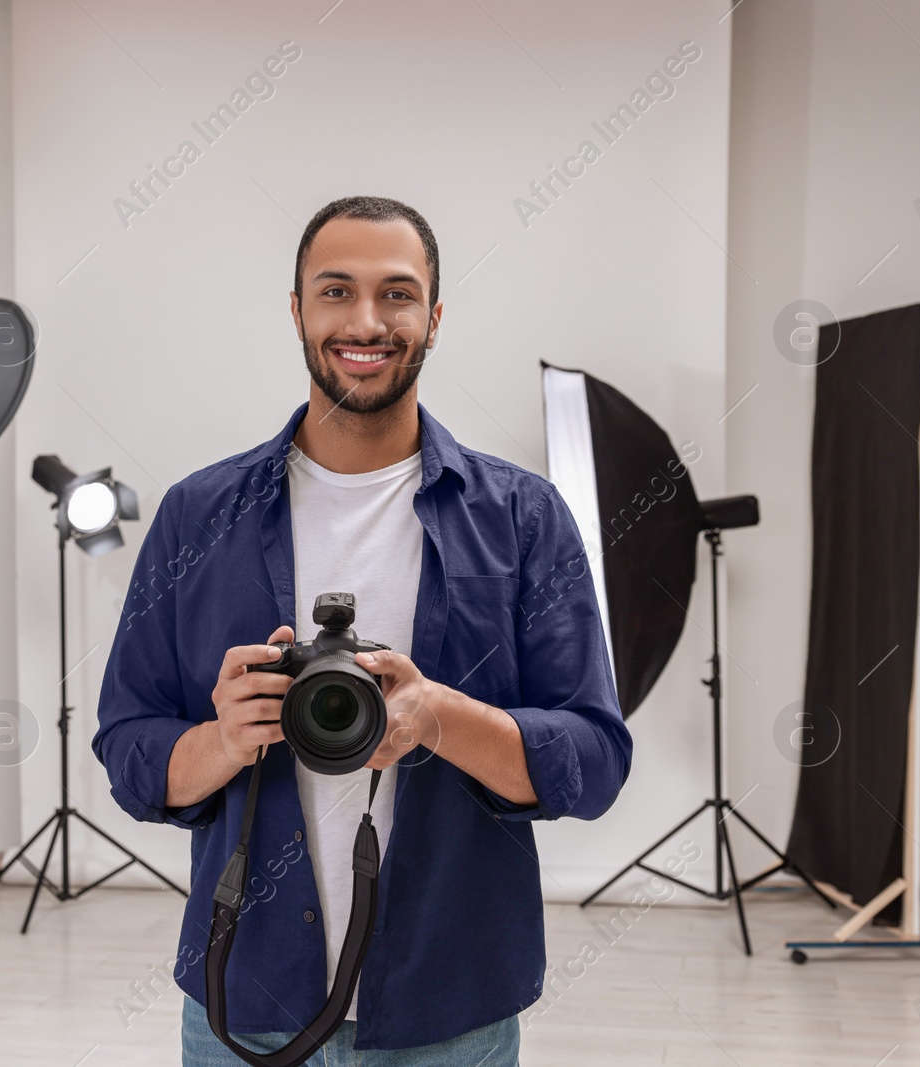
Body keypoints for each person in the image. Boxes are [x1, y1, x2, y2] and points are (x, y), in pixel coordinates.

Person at [93, 195, 632, 1065]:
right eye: (337, 291)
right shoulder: (198, 519)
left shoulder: (524, 519)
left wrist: (434, 718)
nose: (368, 321)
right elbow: (128, 748)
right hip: (247, 989)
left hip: (450, 1003)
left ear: (435, 318)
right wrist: (226, 739)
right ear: (298, 310)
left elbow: (596, 760)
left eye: (398, 294)